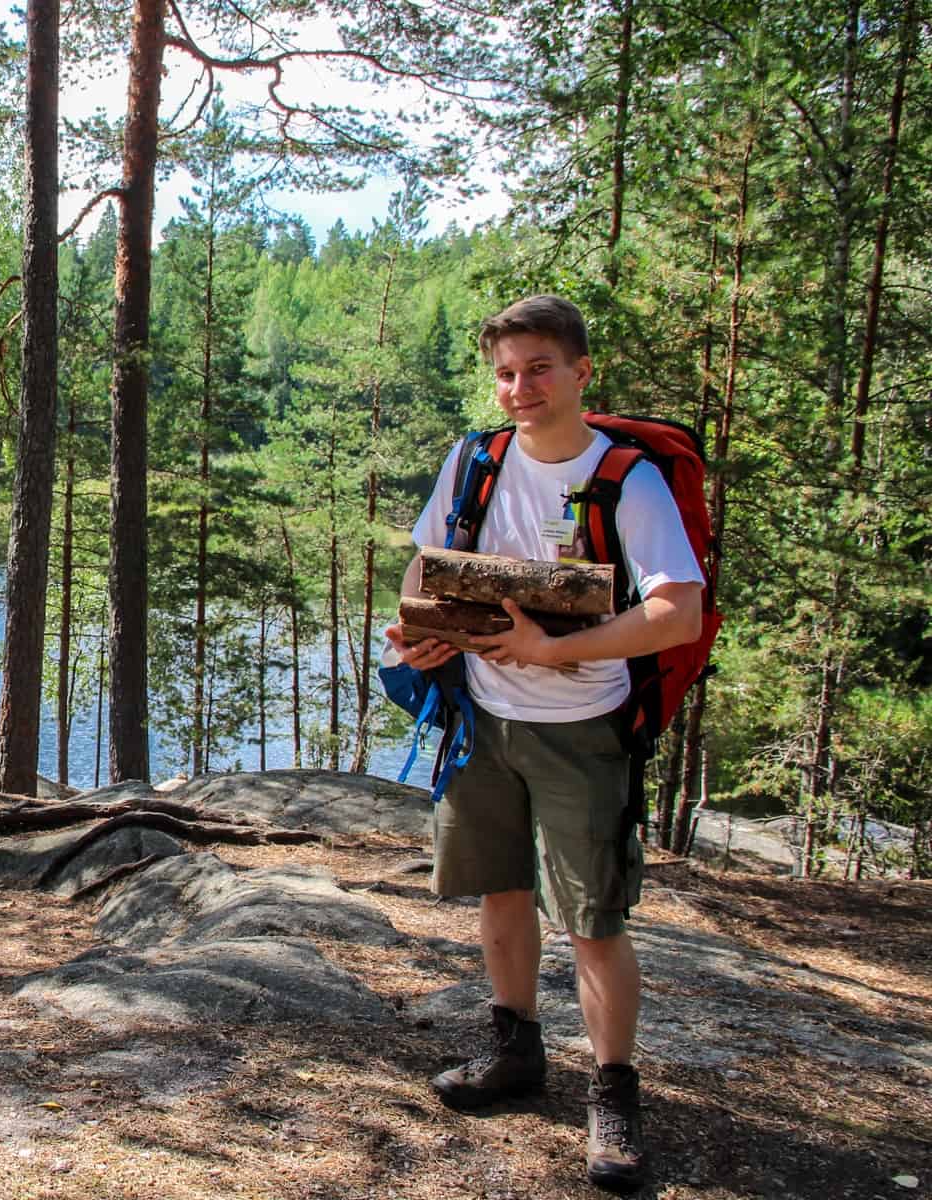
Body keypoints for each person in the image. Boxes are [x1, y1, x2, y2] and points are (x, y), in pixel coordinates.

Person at [383, 295, 704, 1194]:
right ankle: (515, 1053)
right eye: (507, 373)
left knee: (592, 921)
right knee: (502, 890)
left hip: (582, 730)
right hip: (483, 718)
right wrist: (417, 632)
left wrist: (555, 650)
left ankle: (613, 1097)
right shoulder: (476, 458)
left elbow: (678, 613)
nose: (519, 388)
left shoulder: (624, 479)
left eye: (538, 369)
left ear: (579, 374)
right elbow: (427, 561)